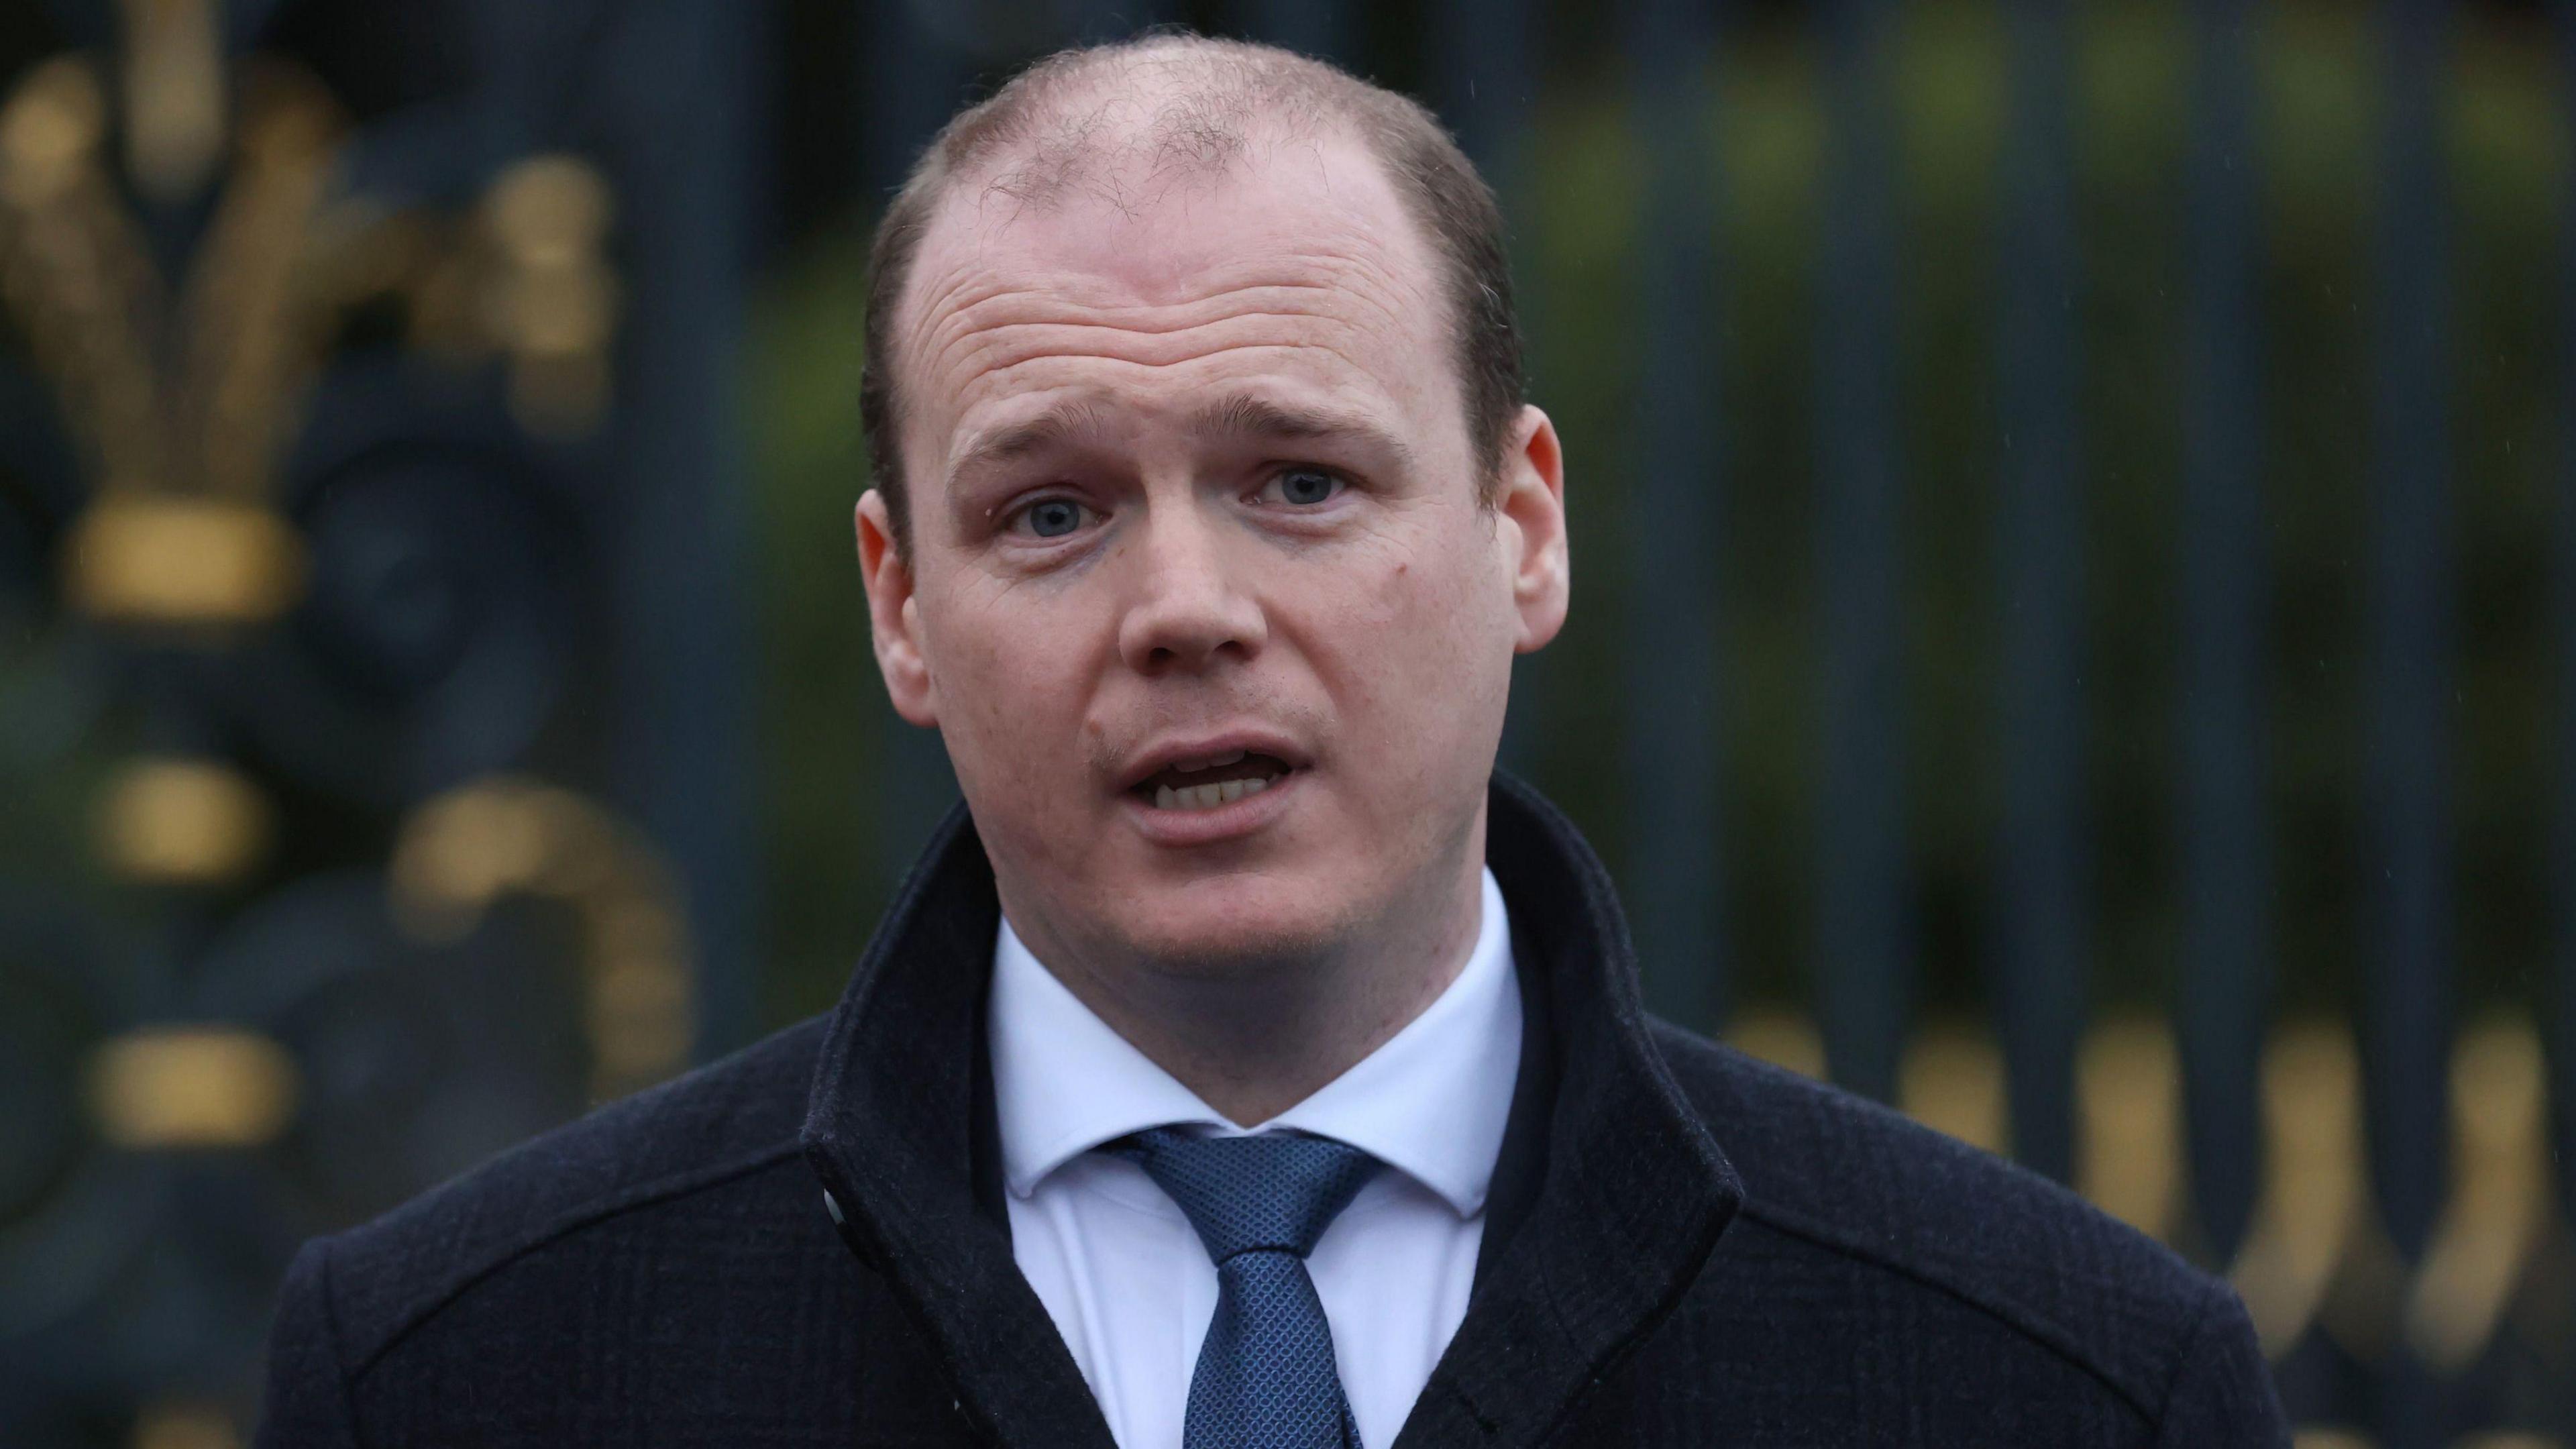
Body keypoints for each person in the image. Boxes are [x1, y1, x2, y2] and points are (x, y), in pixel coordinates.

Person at [254, 31, 2287, 1449]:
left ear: (1523, 524)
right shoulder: (474, 1378)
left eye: (1301, 479)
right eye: (1050, 512)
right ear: (898, 605)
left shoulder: (2058, 1387)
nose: (1185, 608)